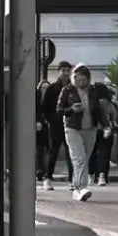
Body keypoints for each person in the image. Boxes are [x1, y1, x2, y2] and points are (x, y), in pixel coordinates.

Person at [57, 64, 113, 202]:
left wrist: (106, 126)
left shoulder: (93, 91)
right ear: (74, 78)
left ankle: (76, 189)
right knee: (79, 158)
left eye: (83, 80)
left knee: (84, 159)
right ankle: (81, 188)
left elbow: (98, 110)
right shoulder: (67, 90)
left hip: (90, 128)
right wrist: (71, 110)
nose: (80, 82)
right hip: (73, 128)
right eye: (77, 79)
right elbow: (59, 109)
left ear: (88, 79)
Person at [39, 60, 74, 190]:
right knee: (53, 151)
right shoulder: (52, 88)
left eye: (67, 70)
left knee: (71, 152)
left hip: (70, 124)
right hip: (56, 124)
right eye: (63, 70)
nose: (65, 73)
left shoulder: (73, 88)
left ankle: (72, 179)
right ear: (58, 72)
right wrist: (51, 120)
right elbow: (45, 106)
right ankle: (47, 177)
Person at [88, 79, 117, 186]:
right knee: (104, 154)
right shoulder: (109, 104)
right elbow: (114, 118)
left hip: (92, 130)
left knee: (91, 154)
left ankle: (90, 176)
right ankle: (102, 176)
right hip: (106, 131)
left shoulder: (91, 102)